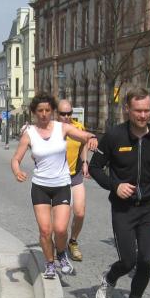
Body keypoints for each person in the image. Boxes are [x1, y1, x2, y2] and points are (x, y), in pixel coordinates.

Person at [89, 87, 150, 298]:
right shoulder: (114, 136)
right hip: (123, 209)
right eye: (138, 111)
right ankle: (110, 278)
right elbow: (95, 168)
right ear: (127, 109)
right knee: (128, 261)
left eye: (147, 110)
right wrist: (115, 186)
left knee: (145, 260)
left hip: (149, 208)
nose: (143, 115)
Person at [11, 92, 97, 280]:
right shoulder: (29, 134)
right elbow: (16, 159)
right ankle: (50, 263)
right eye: (40, 110)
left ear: (52, 111)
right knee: (45, 230)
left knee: (60, 229)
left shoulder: (62, 128)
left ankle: (62, 253)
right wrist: (17, 171)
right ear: (34, 112)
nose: (44, 114)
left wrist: (91, 137)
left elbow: (83, 135)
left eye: (47, 110)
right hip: (40, 186)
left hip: (62, 185)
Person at [57, 99, 89, 262]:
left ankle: (73, 242)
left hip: (75, 175)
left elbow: (84, 143)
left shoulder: (78, 127)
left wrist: (85, 162)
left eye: (69, 113)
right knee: (61, 218)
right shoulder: (52, 129)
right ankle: (58, 245)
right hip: (57, 178)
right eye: (63, 114)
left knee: (80, 212)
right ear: (57, 114)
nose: (67, 116)